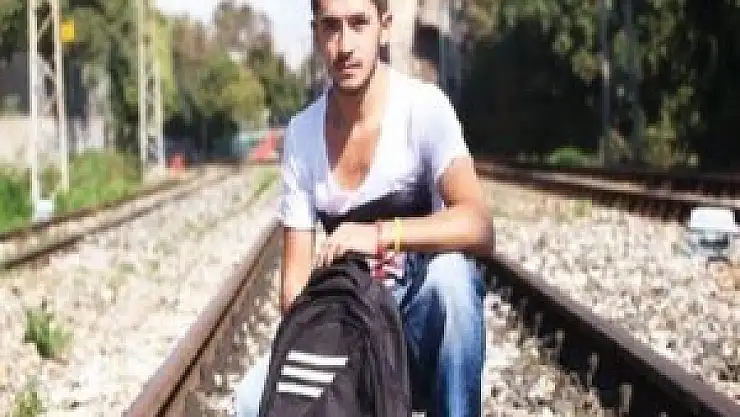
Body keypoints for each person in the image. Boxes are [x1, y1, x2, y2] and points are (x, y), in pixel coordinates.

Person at [233, 0, 495, 416]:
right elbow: (293, 288)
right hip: (350, 321)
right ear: (317, 34)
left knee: (451, 280)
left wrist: (381, 235)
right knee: (250, 400)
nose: (345, 45)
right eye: (332, 27)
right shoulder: (302, 135)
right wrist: (324, 348)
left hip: (414, 324)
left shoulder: (423, 109)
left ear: (384, 27)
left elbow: (478, 224)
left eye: (359, 24)